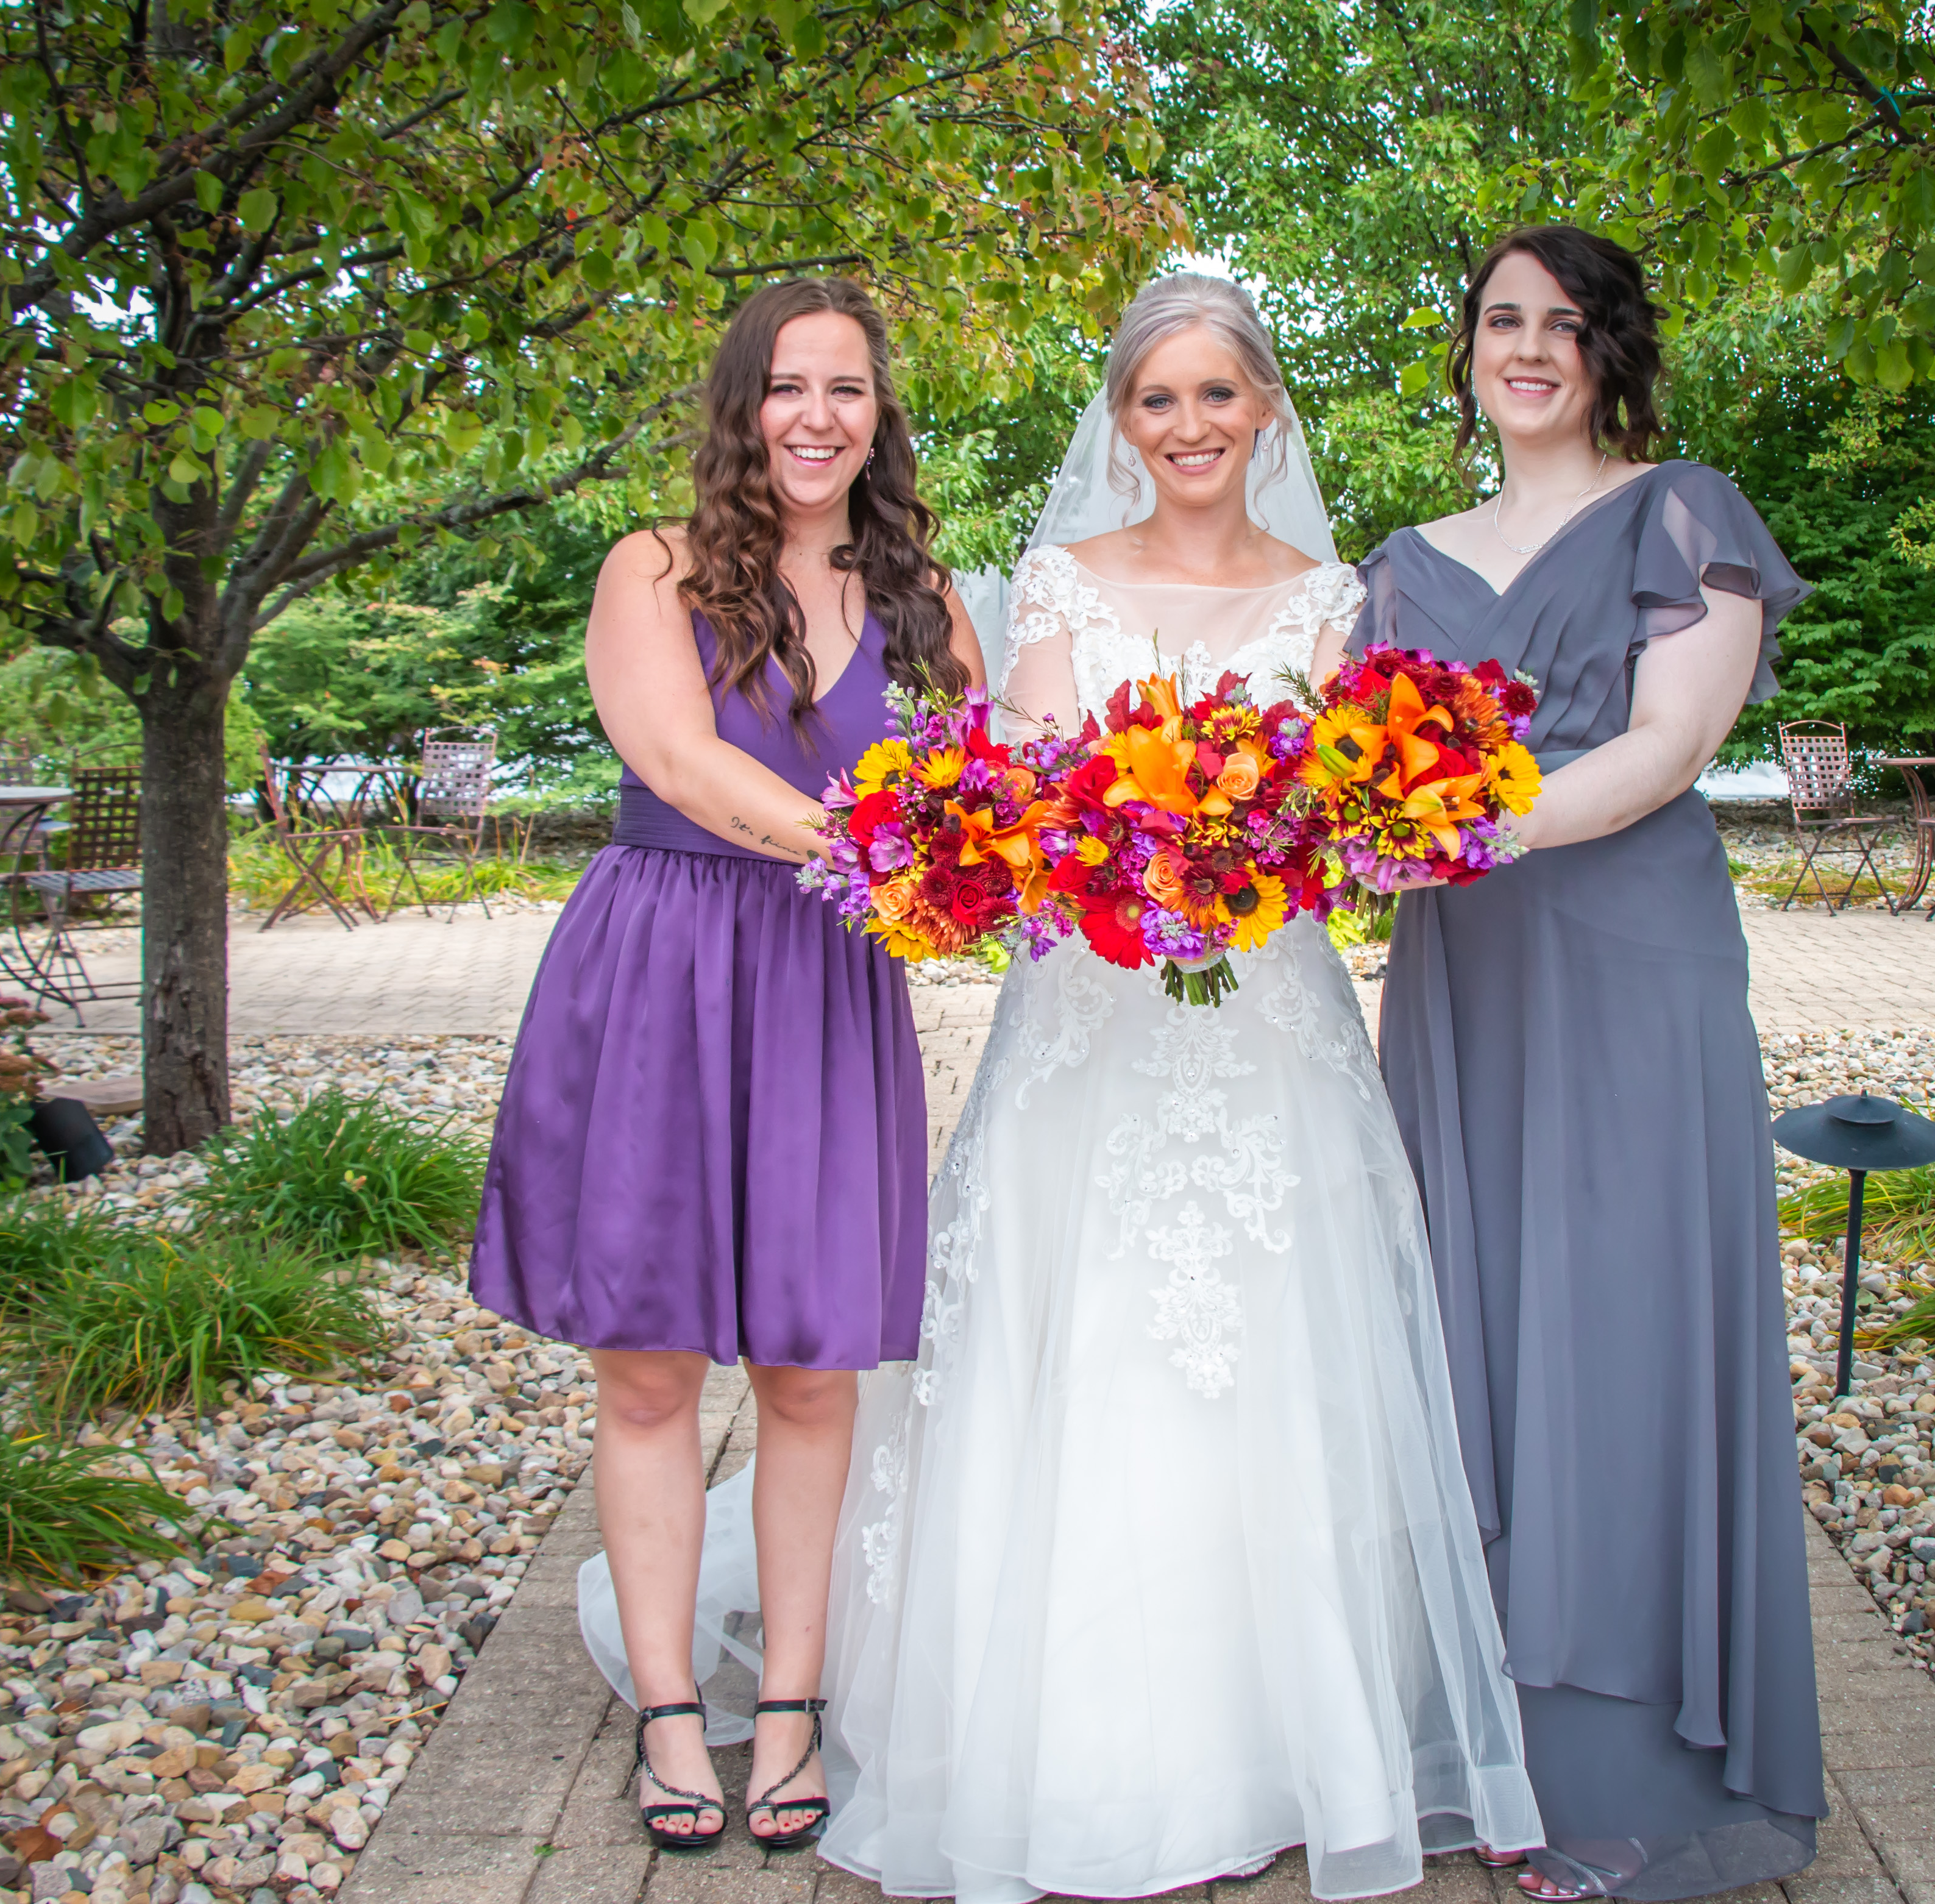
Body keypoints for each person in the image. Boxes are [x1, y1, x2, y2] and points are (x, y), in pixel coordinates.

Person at [589, 272, 1541, 1903]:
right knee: (1043, 1340)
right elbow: (1009, 789)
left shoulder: (1327, 598)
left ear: (1266, 413)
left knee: (1269, 1360)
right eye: (1157, 398)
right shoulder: (1041, 587)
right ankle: (948, 1727)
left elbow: (1324, 811)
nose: (1189, 424)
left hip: (1265, 1032)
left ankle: (1274, 1734)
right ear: (1121, 422)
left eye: (1218, 395)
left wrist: (1338, 830)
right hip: (1053, 1016)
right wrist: (1080, 849)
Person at [470, 277, 984, 1856]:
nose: (817, 417)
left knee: (813, 1368)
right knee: (649, 1364)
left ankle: (795, 1710)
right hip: (664, 971)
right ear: (741, 403)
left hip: (828, 989)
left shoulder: (924, 597)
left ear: (880, 416)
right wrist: (876, 847)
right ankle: (672, 1714)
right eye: (788, 385)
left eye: (848, 388)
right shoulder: (656, 567)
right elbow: (680, 761)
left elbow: (984, 787)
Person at [1354, 226, 1828, 1900]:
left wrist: (1457, 829)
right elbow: (1335, 764)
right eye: (1503, 319)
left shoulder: (1682, 510)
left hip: (1631, 956)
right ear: (1469, 348)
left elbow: (1668, 744)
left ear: (1610, 347)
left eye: (1565, 322)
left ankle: (1633, 1770)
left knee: (1625, 1319)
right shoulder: (1403, 565)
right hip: (1465, 974)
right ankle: (1484, 1743)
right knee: (1471, 1317)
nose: (1530, 348)